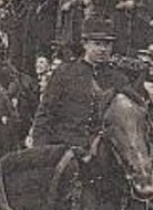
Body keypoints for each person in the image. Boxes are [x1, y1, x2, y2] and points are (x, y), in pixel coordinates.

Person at [28, 15, 131, 150]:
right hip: (65, 149)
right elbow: (45, 114)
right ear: (85, 44)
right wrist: (41, 149)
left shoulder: (119, 80)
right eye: (97, 44)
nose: (102, 49)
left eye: (107, 44)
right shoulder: (65, 73)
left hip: (104, 155)